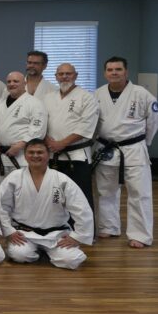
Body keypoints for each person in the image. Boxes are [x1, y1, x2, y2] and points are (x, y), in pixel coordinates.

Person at [93, 56, 158, 248]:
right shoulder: (97, 94)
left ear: (126, 72)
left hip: (133, 149)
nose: (114, 73)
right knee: (105, 191)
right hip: (106, 148)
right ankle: (108, 226)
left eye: (118, 69)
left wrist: (144, 141)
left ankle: (140, 235)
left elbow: (156, 119)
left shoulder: (141, 94)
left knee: (139, 192)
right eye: (110, 70)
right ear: (105, 73)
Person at [0, 139, 94, 269]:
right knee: (19, 255)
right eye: (31, 152)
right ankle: (40, 251)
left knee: (72, 260)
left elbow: (81, 208)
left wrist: (77, 236)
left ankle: (46, 250)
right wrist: (9, 231)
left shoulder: (61, 179)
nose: (35, 155)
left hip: (56, 234)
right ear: (25, 155)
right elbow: (2, 206)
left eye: (40, 152)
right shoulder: (14, 178)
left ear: (48, 154)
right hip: (25, 233)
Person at [43, 63, 99, 212]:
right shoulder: (48, 97)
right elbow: (41, 123)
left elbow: (86, 126)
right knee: (55, 197)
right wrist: (48, 141)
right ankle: (59, 225)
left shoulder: (87, 97)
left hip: (77, 156)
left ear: (76, 75)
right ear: (56, 77)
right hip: (53, 155)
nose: (64, 77)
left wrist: (62, 143)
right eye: (61, 74)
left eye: (68, 73)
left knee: (80, 196)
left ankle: (85, 227)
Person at [0, 71, 47, 184]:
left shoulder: (34, 103)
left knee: (23, 188)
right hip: (1, 155)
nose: (12, 84)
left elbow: (38, 129)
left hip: (22, 156)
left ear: (24, 83)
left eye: (16, 81)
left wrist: (20, 145)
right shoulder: (1, 102)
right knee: (0, 190)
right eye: (9, 81)